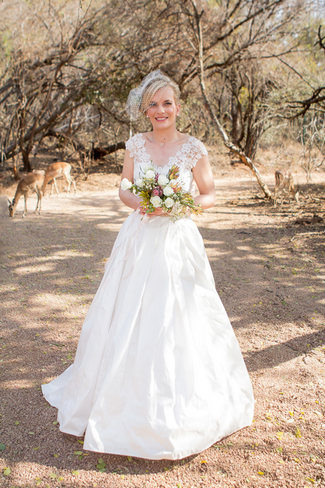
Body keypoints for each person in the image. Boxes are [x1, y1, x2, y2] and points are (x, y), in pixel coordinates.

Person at [42, 70, 254, 460]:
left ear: (177, 107)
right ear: (145, 110)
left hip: (177, 240)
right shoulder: (135, 145)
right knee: (125, 311)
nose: (161, 110)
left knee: (176, 313)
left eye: (167, 103)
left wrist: (179, 204)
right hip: (138, 237)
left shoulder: (193, 148)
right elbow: (124, 186)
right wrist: (141, 202)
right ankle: (115, 393)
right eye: (153, 104)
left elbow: (208, 195)